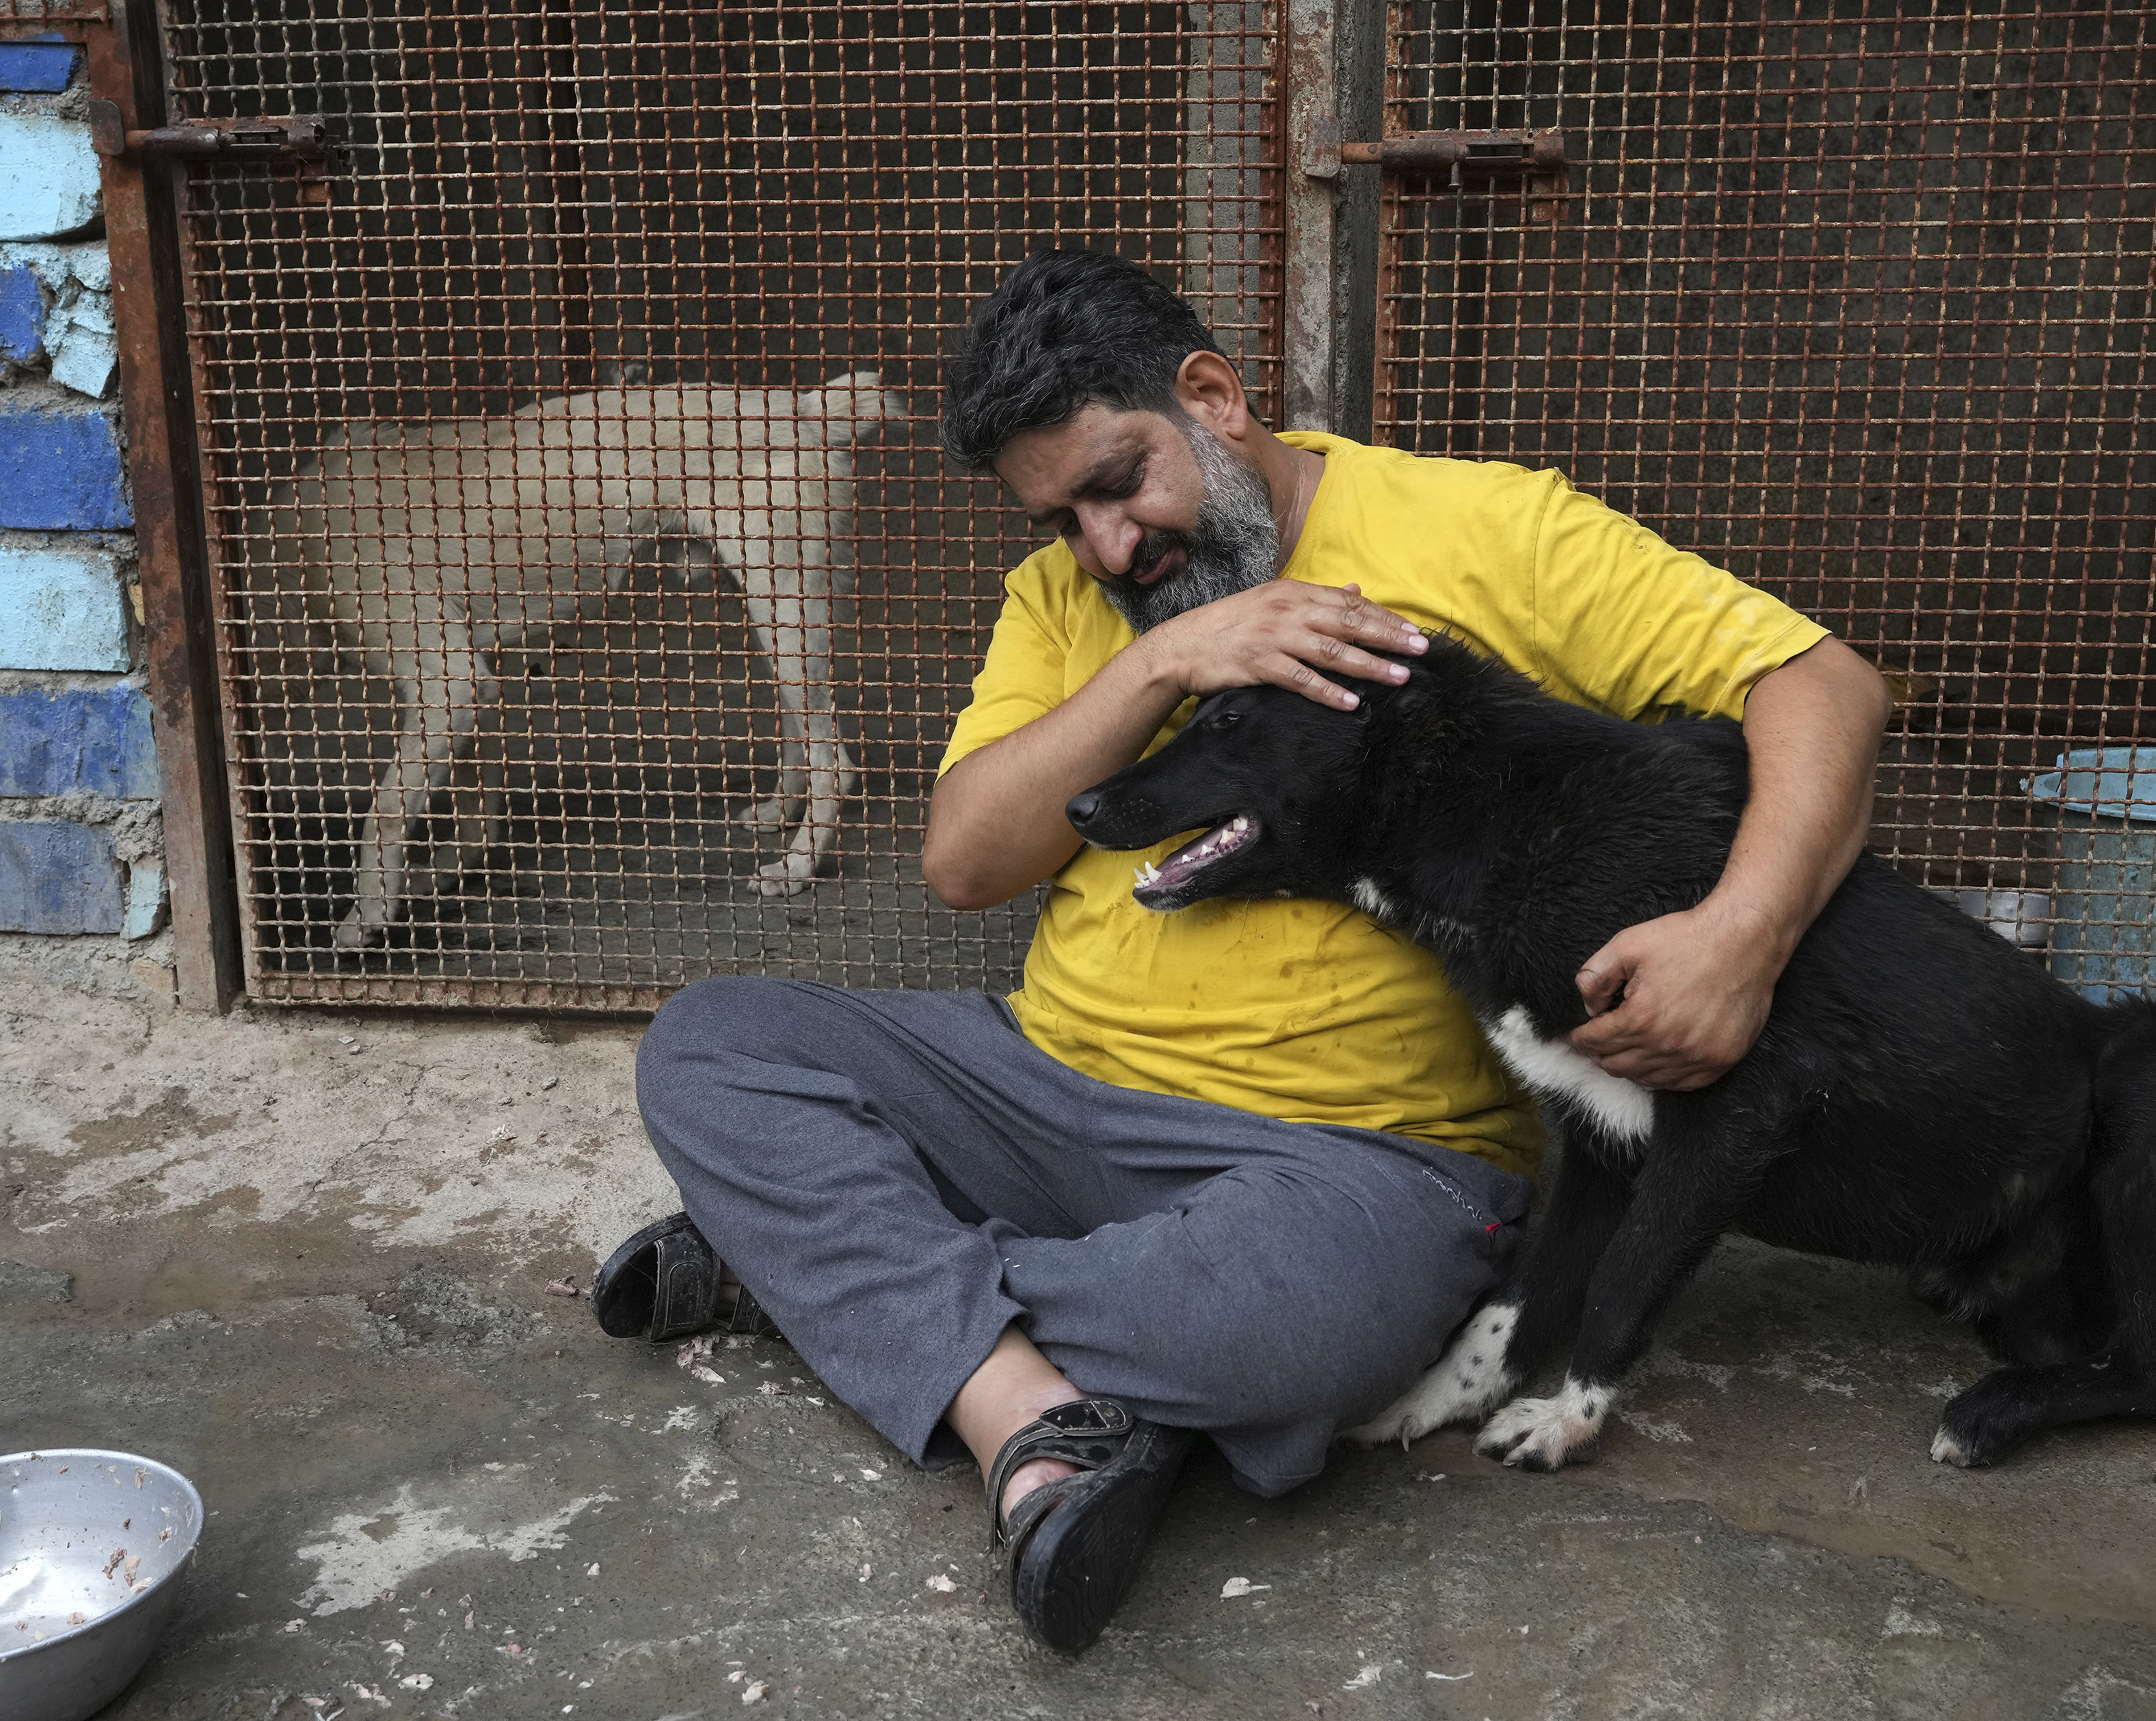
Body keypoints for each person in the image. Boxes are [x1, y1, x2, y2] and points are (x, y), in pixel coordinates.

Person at [600, 248, 1891, 1651]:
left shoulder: (1487, 527)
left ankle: (839, 1282)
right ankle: (1028, 1402)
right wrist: (1164, 657)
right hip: (1046, 1087)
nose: (1104, 542)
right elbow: (966, 860)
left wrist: (1743, 937)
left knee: (1284, 1330)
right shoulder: (1069, 599)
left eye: (1117, 481)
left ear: (1211, 394)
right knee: (715, 1046)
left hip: (1354, 1162)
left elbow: (1819, 681)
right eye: (1060, 517)